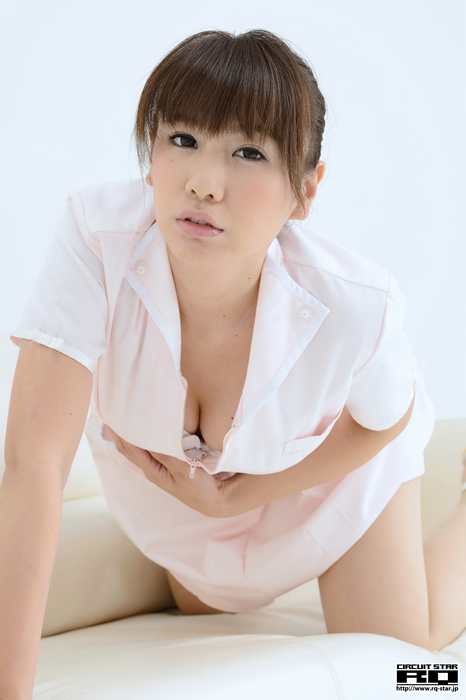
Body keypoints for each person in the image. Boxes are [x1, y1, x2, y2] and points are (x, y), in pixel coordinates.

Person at [3, 29, 465, 697]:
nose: (203, 184)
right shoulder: (96, 239)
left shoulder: (357, 301)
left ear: (305, 190)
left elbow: (385, 418)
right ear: (151, 155)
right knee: (205, 604)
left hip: (322, 477)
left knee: (402, 656)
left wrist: (238, 498)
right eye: (182, 139)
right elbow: (34, 463)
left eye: (248, 153)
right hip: (176, 499)